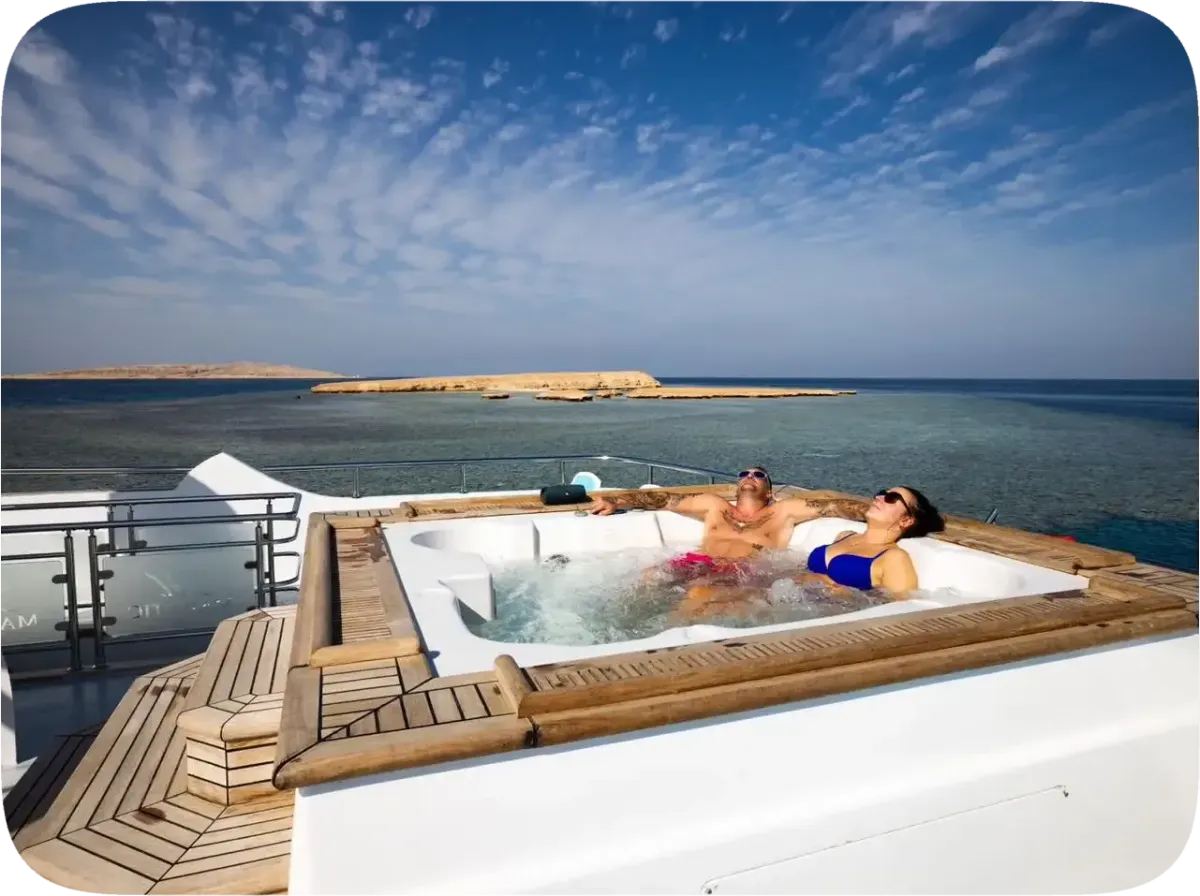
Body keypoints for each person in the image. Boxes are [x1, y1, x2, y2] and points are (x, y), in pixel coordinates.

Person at [797, 486, 944, 595]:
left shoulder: (894, 558)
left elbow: (900, 610)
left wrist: (844, 594)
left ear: (906, 520)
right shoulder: (845, 536)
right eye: (881, 493)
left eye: (891, 498)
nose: (879, 498)